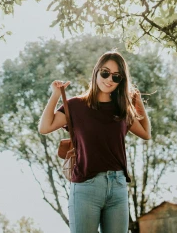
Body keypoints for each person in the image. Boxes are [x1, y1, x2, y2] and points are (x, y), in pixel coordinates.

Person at [38, 51, 151, 233]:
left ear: (121, 81)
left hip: (118, 187)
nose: (109, 79)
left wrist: (138, 103)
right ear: (96, 72)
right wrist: (55, 95)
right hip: (86, 186)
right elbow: (45, 127)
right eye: (105, 73)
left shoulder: (122, 110)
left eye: (116, 76)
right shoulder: (75, 106)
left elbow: (146, 133)